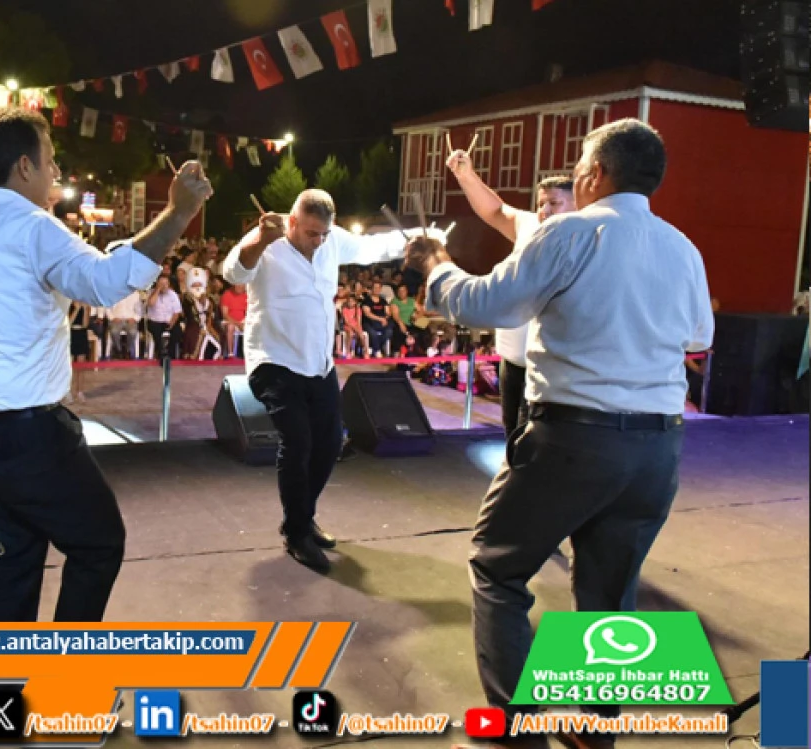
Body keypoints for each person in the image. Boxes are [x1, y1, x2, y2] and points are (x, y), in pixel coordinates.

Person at [408, 119, 714, 749]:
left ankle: (519, 729)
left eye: (578, 168)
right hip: (657, 448)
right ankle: (595, 731)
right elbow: (699, 337)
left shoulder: (570, 232)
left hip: (575, 437)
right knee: (610, 594)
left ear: (596, 174)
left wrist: (437, 268)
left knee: (498, 567)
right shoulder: (682, 247)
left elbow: (486, 304)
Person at [0, 108, 211, 645]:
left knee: (16, 552)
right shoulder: (33, 226)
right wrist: (179, 212)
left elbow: (73, 273)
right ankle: (65, 679)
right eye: (50, 160)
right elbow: (106, 284)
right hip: (28, 431)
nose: (56, 172)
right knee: (98, 544)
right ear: (24, 166)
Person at [222, 189, 447, 572]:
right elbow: (233, 273)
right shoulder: (267, 239)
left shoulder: (331, 241)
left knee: (329, 444)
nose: (319, 241)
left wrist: (424, 237)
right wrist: (259, 239)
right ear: (293, 222)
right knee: (298, 441)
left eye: (324, 233)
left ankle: (302, 516)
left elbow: (371, 247)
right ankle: (297, 534)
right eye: (311, 233)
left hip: (318, 363)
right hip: (274, 360)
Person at [447, 149, 576, 436]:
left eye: (554, 203)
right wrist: (466, 176)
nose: (545, 211)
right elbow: (495, 210)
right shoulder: (530, 225)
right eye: (541, 203)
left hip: (548, 366)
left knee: (533, 438)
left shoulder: (583, 239)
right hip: (512, 358)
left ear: (578, 206)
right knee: (511, 432)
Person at [145, 275, 183, 360]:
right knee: (156, 330)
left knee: (178, 331)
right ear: (157, 283)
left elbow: (177, 312)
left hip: (169, 321)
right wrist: (157, 290)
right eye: (161, 283)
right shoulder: (151, 293)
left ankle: (169, 352)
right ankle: (160, 352)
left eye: (165, 283)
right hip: (155, 321)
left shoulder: (173, 294)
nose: (163, 286)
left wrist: (172, 322)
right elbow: (151, 303)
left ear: (169, 284)